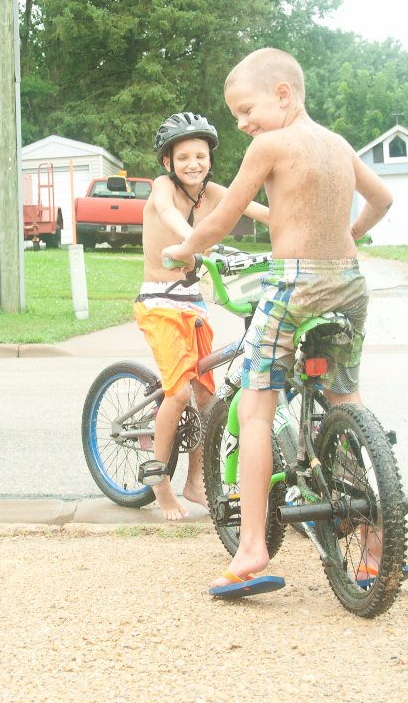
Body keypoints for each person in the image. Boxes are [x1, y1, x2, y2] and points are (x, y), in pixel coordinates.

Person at [162, 48, 393, 597]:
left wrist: (185, 249)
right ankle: (375, 542)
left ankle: (251, 548)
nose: (242, 124)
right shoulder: (338, 144)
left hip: (295, 286)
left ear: (283, 95)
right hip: (350, 282)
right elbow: (382, 199)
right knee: (345, 398)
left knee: (255, 408)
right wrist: (346, 237)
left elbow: (221, 220)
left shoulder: (270, 146)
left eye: (246, 110)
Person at [136, 112, 269, 521]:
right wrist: (192, 240)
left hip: (194, 303)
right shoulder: (163, 187)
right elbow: (166, 213)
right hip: (159, 303)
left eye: (200, 156)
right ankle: (159, 482)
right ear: (168, 162)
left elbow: (254, 208)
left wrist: (309, 225)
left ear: (210, 159)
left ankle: (195, 481)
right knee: (178, 395)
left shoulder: (212, 193)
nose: (193, 164)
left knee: (207, 398)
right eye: (183, 157)